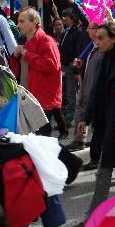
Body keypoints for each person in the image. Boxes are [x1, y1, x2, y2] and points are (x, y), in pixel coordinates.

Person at [73, 21, 115, 227]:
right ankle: (93, 218)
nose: (97, 42)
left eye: (101, 38)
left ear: (114, 39)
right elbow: (96, 92)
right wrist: (85, 118)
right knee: (108, 170)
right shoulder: (101, 59)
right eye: (96, 38)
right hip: (103, 122)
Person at [14, 8, 67, 139]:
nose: (18, 25)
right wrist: (15, 56)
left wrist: (27, 54)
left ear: (34, 22)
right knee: (38, 139)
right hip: (31, 96)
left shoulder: (46, 41)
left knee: (43, 140)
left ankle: (68, 159)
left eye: (22, 21)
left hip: (44, 98)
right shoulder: (27, 42)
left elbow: (52, 66)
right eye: (18, 21)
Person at [74, 24, 103, 163]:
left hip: (95, 93)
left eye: (90, 27)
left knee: (97, 127)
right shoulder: (92, 46)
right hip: (86, 88)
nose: (86, 30)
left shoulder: (102, 49)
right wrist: (81, 67)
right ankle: (82, 142)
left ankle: (97, 159)